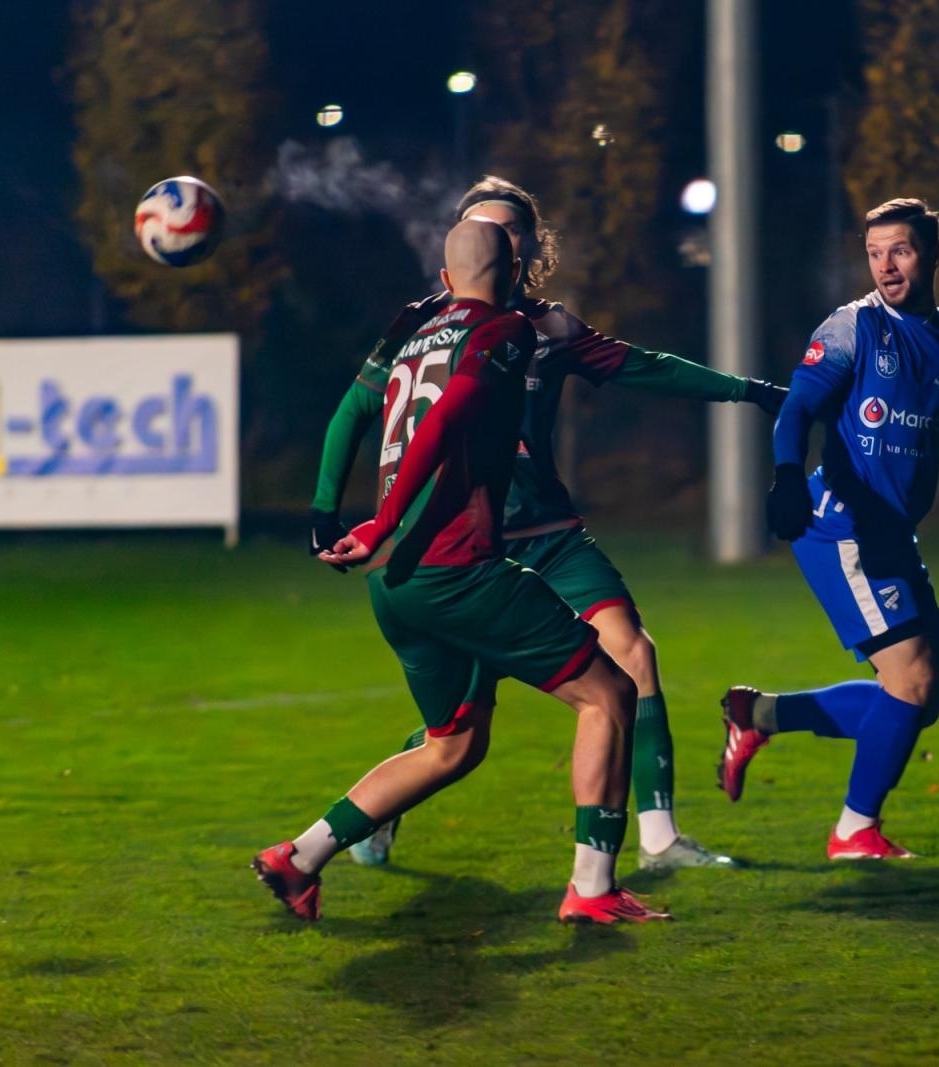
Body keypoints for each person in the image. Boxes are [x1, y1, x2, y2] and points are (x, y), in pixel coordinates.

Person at [312, 176, 786, 870]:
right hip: (461, 542)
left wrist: (750, 391)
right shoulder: (420, 327)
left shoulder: (546, 327)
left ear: (528, 249)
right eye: (483, 228)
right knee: (462, 723)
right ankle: (380, 811)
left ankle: (658, 840)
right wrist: (328, 508)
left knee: (632, 654)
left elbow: (645, 368)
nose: (497, 240)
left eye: (509, 231)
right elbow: (358, 412)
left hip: (549, 532)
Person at [254, 220, 669, 925]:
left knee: (453, 745)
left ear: (444, 280)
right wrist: (384, 519)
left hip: (393, 580)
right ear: (512, 272)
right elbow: (447, 418)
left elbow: (354, 411)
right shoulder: (502, 330)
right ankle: (593, 887)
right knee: (611, 694)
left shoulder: (411, 333)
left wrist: (338, 515)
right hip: (455, 567)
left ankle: (300, 856)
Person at [718, 198, 939, 859]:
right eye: (875, 252)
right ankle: (854, 830)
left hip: (891, 535)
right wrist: (787, 477)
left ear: (932, 256)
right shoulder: (854, 326)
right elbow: (797, 411)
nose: (886, 265)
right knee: (909, 685)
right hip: (841, 528)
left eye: (902, 250)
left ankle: (760, 714)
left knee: (919, 700)